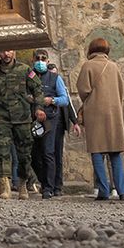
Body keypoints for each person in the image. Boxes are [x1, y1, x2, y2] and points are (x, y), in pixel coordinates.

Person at [0, 50, 42, 200]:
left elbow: (37, 89)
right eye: (3, 51)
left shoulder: (25, 69)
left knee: (25, 154)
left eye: (9, 51)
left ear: (14, 51)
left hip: (22, 118)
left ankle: (22, 184)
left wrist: (38, 108)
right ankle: (4, 186)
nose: (6, 54)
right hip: (1, 119)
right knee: (2, 152)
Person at [76, 38, 124, 201]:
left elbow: (83, 90)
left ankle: (103, 190)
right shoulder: (114, 67)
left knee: (97, 153)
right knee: (115, 154)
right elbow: (121, 91)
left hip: (95, 113)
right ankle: (122, 191)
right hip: (113, 113)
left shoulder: (88, 66)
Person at [30, 49, 68, 198]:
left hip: (50, 119)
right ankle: (42, 180)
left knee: (48, 152)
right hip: (32, 119)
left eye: (43, 58)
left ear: (47, 60)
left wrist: (52, 100)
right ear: (33, 60)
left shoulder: (55, 78)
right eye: (37, 58)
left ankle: (48, 187)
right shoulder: (29, 76)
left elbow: (64, 99)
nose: (40, 61)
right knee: (33, 155)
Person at [48, 63, 79, 197]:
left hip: (60, 124)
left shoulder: (61, 88)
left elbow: (69, 105)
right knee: (47, 153)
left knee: (58, 155)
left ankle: (57, 186)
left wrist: (75, 122)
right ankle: (48, 183)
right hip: (48, 123)